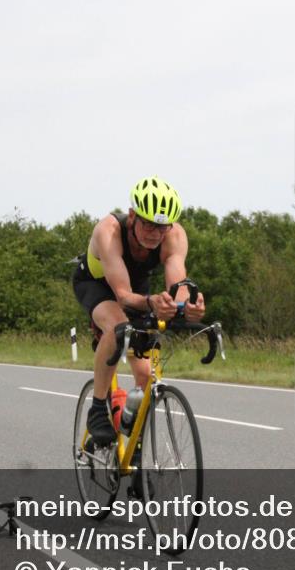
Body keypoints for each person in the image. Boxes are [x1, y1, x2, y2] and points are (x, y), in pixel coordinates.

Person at [72, 176, 205, 447]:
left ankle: (129, 436)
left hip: (136, 288)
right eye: (148, 224)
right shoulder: (108, 231)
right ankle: (98, 409)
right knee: (118, 325)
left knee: (145, 375)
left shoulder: (174, 236)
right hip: (97, 285)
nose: (155, 233)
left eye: (161, 227)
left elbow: (177, 284)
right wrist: (153, 303)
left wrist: (185, 305)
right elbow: (121, 296)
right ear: (132, 215)